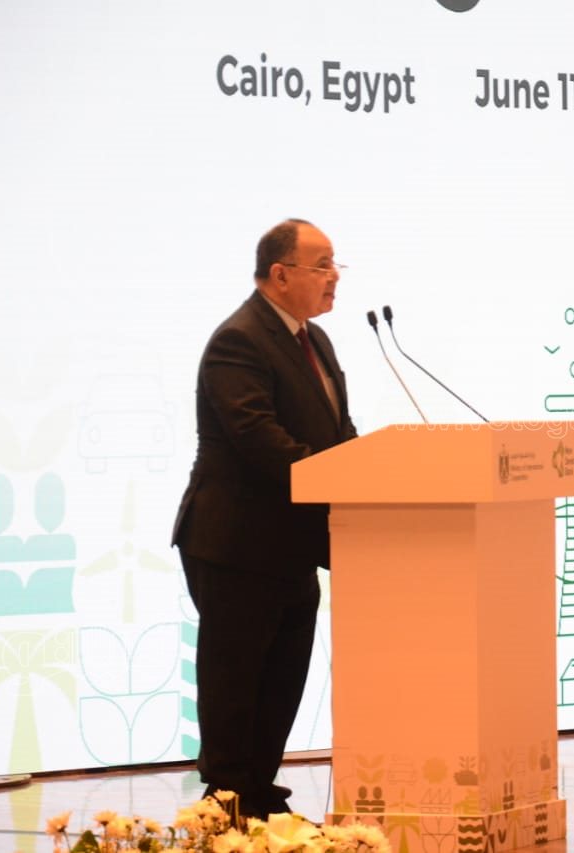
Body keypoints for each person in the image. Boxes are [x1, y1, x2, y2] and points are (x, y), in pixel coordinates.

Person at [171, 218, 357, 818]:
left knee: (281, 681)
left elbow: (338, 432)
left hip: (293, 546)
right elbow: (259, 439)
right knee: (236, 683)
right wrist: (339, 482)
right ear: (280, 275)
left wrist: (367, 473)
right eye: (322, 265)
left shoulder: (315, 340)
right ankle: (227, 804)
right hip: (237, 546)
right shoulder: (239, 340)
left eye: (335, 264)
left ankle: (259, 797)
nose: (334, 276)